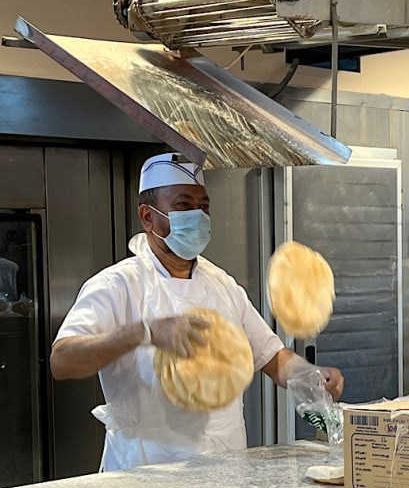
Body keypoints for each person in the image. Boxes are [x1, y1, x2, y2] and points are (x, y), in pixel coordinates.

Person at [50, 152, 344, 471]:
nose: (198, 216)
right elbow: (62, 360)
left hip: (224, 471)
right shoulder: (118, 285)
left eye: (204, 207)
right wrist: (144, 332)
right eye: (184, 205)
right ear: (147, 217)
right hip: (145, 474)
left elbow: (272, 357)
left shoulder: (222, 284)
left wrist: (309, 376)